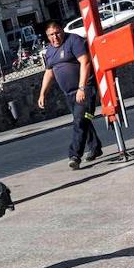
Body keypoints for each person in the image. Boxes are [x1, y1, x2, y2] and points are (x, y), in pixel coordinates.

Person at [36, 19, 102, 170]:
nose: (55, 37)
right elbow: (49, 73)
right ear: (47, 36)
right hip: (69, 94)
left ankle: (74, 156)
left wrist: (82, 88)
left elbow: (85, 62)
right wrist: (42, 94)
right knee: (84, 120)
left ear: (62, 30)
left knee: (80, 120)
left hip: (85, 89)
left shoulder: (74, 41)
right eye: (51, 35)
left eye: (57, 32)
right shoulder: (50, 51)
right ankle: (95, 147)